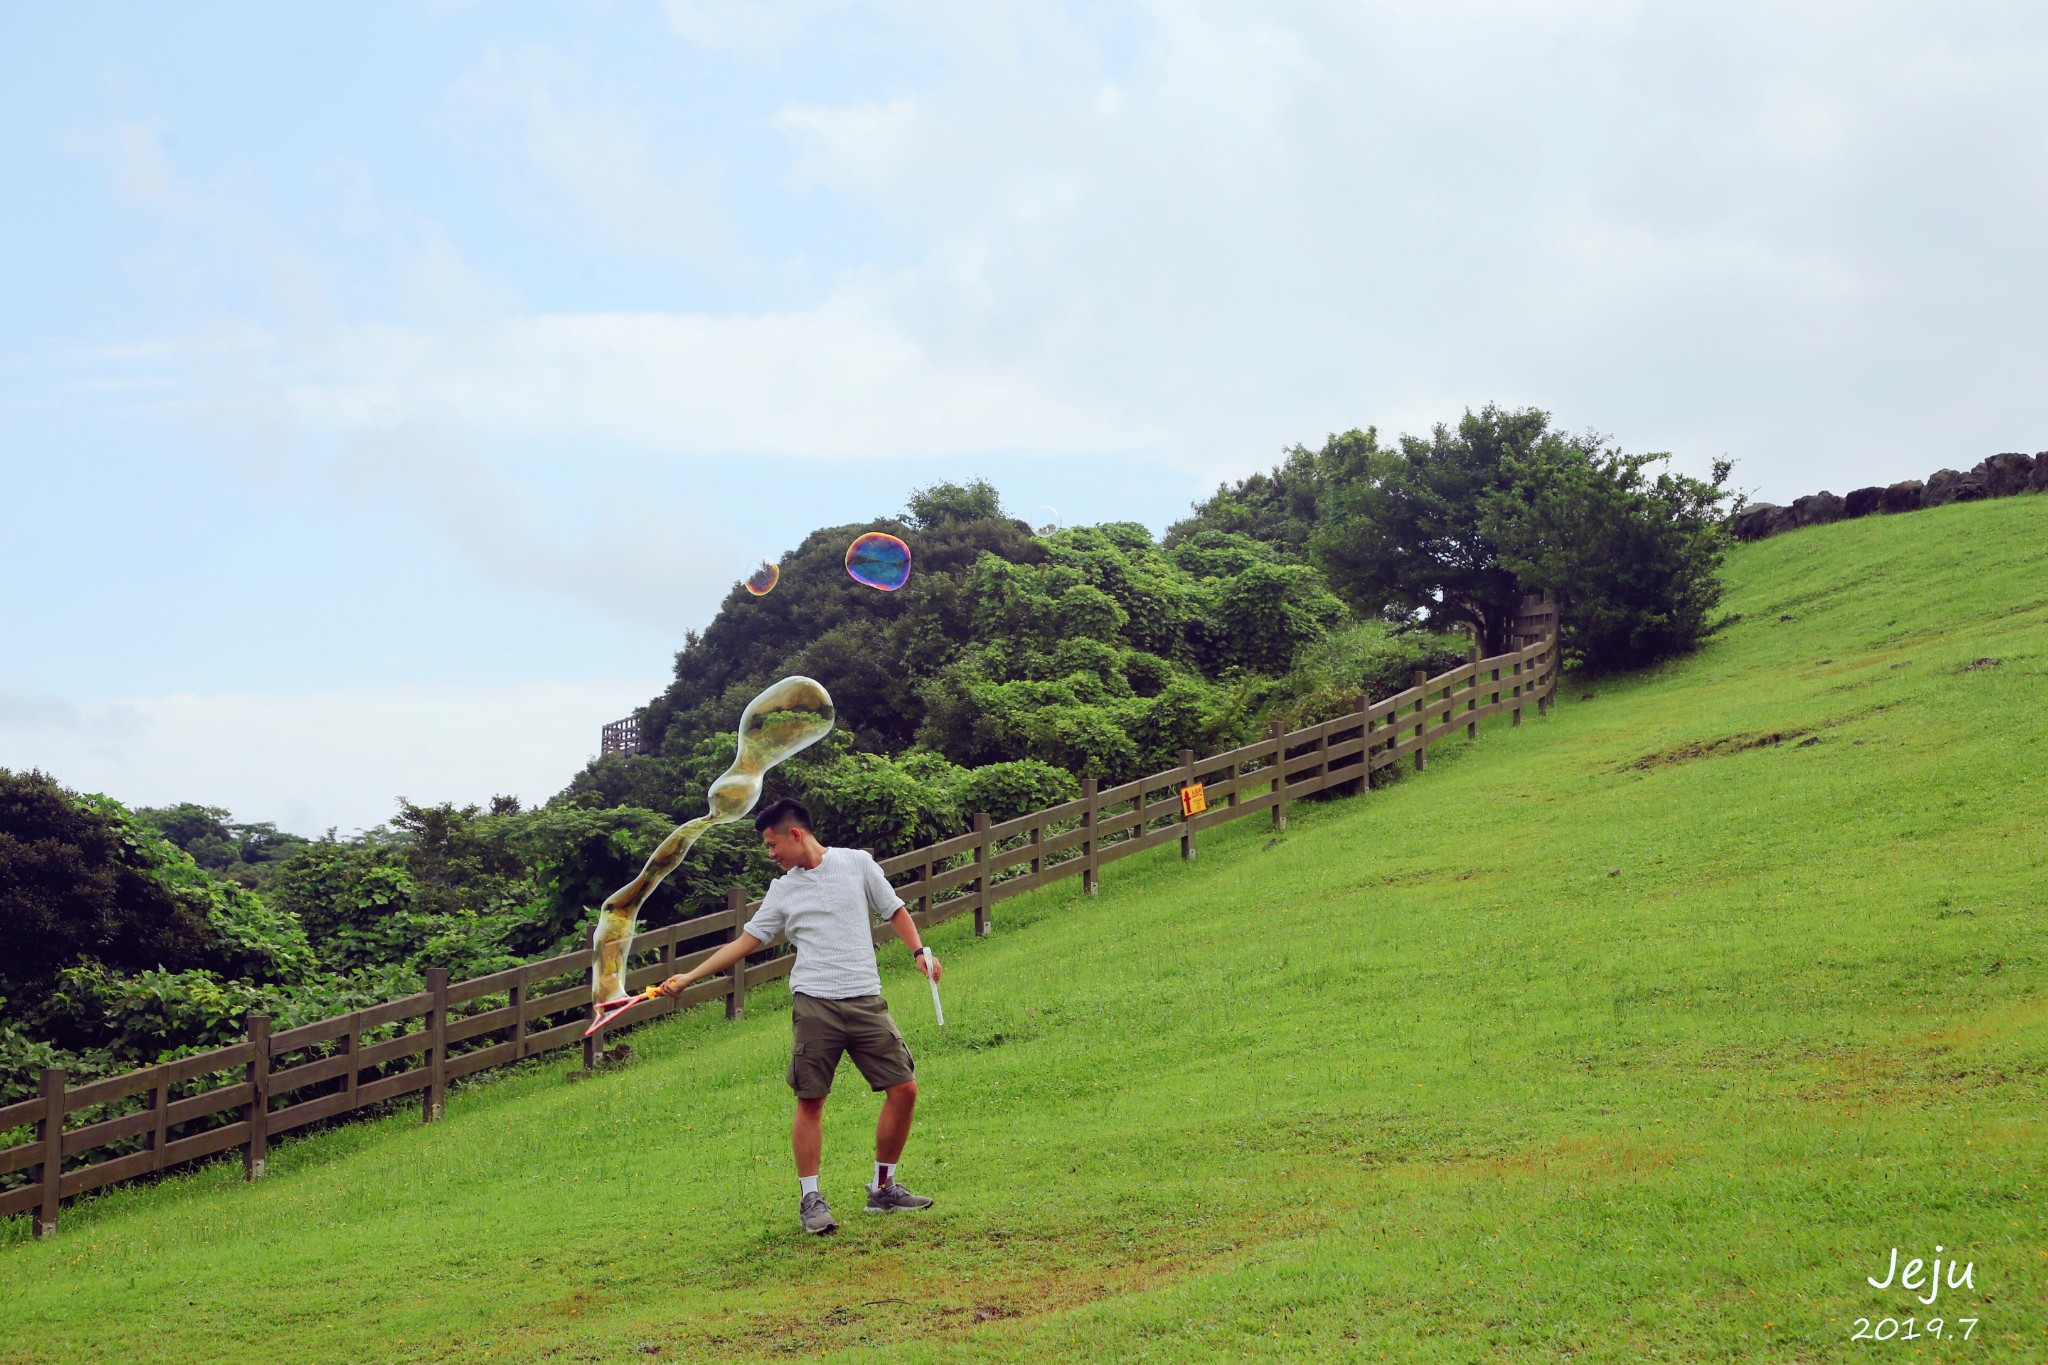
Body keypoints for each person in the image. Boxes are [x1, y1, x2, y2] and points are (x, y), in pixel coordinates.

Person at [656, 797, 941, 1235]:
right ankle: (811, 1199)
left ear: (795, 834)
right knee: (811, 1100)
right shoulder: (783, 890)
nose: (771, 854)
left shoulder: (856, 864)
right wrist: (689, 977)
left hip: (866, 999)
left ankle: (882, 1189)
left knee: (904, 1089)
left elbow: (895, 909)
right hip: (814, 1005)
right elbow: (745, 943)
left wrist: (919, 951)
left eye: (772, 845)